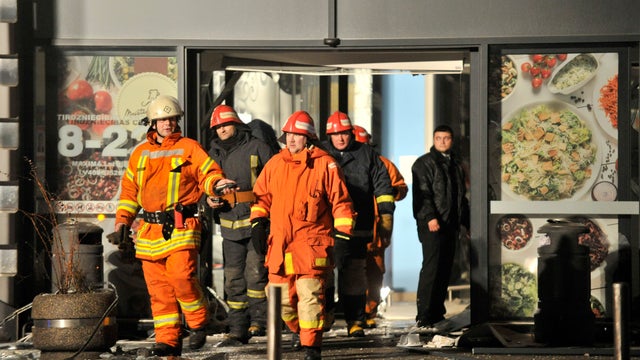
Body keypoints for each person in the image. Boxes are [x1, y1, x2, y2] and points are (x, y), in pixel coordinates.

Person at [114, 95, 238, 356]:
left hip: (182, 226)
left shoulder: (189, 147)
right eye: (162, 119)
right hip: (149, 231)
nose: (168, 124)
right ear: (152, 123)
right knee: (159, 292)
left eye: (172, 119)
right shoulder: (139, 154)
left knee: (181, 278)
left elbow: (208, 173)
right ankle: (168, 341)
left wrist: (217, 184)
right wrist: (122, 224)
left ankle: (198, 323)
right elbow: (129, 192)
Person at [250, 110, 356, 360]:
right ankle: (304, 330)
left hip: (311, 244)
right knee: (280, 299)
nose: (291, 139)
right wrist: (257, 223)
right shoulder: (275, 164)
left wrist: (342, 235)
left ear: (308, 138)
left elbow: (341, 203)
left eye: (297, 135)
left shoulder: (325, 164)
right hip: (279, 245)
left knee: (309, 295)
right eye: (288, 135)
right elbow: (261, 198)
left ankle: (312, 347)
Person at [205, 105, 275, 345]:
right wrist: (209, 199)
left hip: (256, 223)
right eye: (218, 127)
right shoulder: (213, 153)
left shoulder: (258, 147)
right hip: (228, 224)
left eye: (225, 125)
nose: (222, 129)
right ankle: (238, 326)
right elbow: (204, 182)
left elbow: (274, 181)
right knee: (233, 278)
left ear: (235, 124)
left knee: (256, 275)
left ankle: (260, 323)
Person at [322, 111, 395, 337]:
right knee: (323, 274)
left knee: (353, 275)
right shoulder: (320, 154)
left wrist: (385, 214)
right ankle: (325, 316)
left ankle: (355, 321)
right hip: (326, 226)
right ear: (329, 136)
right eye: (336, 135)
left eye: (344, 133)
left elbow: (383, 184)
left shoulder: (366, 154)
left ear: (351, 133)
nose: (341, 138)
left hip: (357, 226)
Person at [411, 124, 469, 329]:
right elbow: (423, 194)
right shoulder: (424, 163)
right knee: (431, 269)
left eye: (446, 138)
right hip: (432, 225)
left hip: (450, 224)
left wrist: (465, 223)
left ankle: (436, 312)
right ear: (433, 140)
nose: (442, 142)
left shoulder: (455, 164)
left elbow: (461, 197)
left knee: (444, 269)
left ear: (452, 140)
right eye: (439, 138)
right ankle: (424, 315)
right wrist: (429, 217)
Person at [351, 125, 408, 329]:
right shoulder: (344, 163)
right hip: (354, 227)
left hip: (377, 230)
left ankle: (369, 311)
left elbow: (401, 188)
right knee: (353, 271)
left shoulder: (383, 164)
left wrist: (388, 191)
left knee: (374, 271)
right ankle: (355, 312)